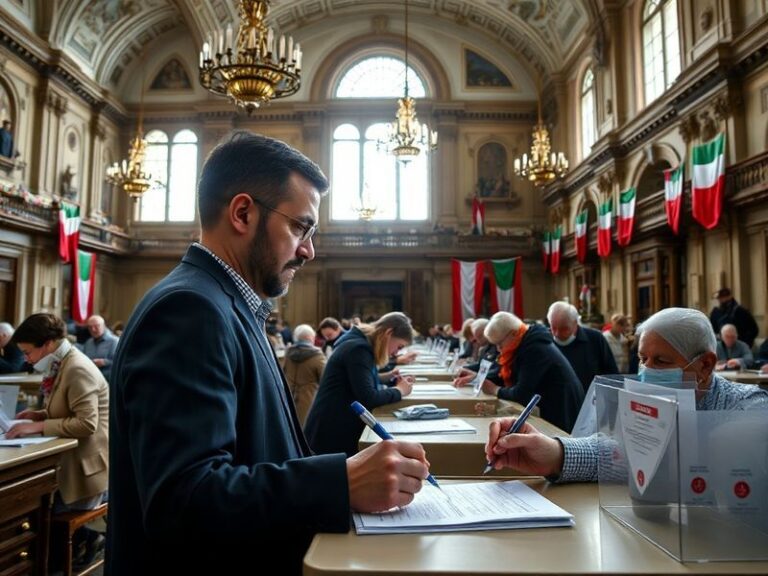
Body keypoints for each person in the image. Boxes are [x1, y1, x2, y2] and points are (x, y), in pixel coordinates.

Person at [106, 133, 429, 575]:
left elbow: (258, 457)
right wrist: (342, 481)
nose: (309, 250)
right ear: (243, 213)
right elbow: (184, 500)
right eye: (301, 227)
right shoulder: (190, 309)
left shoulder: (229, 304)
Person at [484, 308, 768, 482]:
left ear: (705, 364)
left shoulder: (747, 405)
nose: (646, 371)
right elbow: (618, 452)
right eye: (643, 359)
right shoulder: (649, 405)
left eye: (661, 362)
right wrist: (555, 453)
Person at [6, 313, 108, 565]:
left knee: (34, 508)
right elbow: (67, 408)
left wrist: (37, 426)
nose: (27, 360)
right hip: (72, 460)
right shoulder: (62, 362)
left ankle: (82, 541)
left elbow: (86, 423)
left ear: (48, 344)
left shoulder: (77, 368)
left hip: (86, 471)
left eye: (28, 352)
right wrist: (37, 414)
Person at [304, 312, 415, 457]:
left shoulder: (359, 343)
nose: (396, 353)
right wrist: (400, 391)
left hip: (332, 425)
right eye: (399, 346)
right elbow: (368, 397)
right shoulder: (359, 349)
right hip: (331, 431)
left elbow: (357, 380)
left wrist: (388, 378)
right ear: (388, 333)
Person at [455, 311, 584, 433]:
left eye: (500, 344)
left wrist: (496, 390)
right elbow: (503, 374)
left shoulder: (534, 349)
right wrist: (477, 378)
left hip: (561, 409)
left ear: (512, 333)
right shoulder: (523, 342)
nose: (499, 349)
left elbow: (521, 393)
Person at [547, 301, 618, 392]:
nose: (557, 334)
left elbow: (612, 375)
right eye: (553, 328)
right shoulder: (545, 342)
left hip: (591, 401)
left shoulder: (595, 339)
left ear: (575, 323)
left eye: (564, 329)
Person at [283, 323, 326, 425]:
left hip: (288, 396)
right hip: (309, 398)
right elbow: (325, 379)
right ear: (309, 337)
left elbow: (283, 372)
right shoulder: (317, 356)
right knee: (306, 429)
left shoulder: (288, 352)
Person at [82, 315, 119, 382]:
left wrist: (104, 362)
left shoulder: (114, 341)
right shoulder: (88, 343)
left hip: (107, 380)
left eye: (96, 326)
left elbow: (119, 363)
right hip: (90, 379)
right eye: (90, 327)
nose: (93, 330)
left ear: (104, 326)